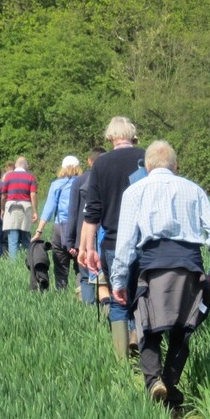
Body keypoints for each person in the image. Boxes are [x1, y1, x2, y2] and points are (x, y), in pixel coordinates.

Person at [111, 140, 210, 413]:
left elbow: (126, 241)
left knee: (146, 325)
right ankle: (172, 386)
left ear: (147, 167)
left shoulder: (135, 191)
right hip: (189, 265)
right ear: (175, 166)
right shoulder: (193, 190)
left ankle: (153, 382)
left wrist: (118, 280)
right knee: (183, 328)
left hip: (151, 266)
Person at [77, 117, 146, 359]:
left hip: (113, 242)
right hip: (144, 241)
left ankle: (121, 361)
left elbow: (92, 212)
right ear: (133, 135)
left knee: (118, 299)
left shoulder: (101, 164)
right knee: (142, 294)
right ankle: (138, 336)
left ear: (110, 138)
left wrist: (87, 249)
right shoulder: (146, 158)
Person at [32, 156, 82, 291]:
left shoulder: (57, 184)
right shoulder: (84, 182)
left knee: (60, 265)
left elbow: (49, 208)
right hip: (81, 227)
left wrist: (39, 231)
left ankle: (61, 293)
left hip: (61, 227)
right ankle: (83, 296)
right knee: (81, 265)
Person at [67, 147, 105, 304]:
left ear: (90, 161)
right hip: (104, 235)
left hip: (83, 236)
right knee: (105, 277)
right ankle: (106, 312)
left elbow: (73, 212)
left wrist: (70, 240)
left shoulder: (79, 181)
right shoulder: (108, 179)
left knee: (85, 276)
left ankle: (89, 312)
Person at [0, 156, 38, 261]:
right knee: (26, 237)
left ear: (16, 165)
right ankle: (28, 261)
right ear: (26, 166)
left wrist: (2, 208)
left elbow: (3, 195)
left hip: (11, 208)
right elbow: (33, 195)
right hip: (25, 208)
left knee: (12, 239)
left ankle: (13, 263)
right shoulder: (31, 177)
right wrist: (35, 211)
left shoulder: (8, 177)